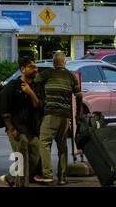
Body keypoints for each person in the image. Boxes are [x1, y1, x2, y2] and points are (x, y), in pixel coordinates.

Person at [34, 51, 82, 185]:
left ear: (54, 63)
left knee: (44, 143)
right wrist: (77, 113)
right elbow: (79, 96)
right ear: (65, 62)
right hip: (65, 116)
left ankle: (47, 174)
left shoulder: (49, 73)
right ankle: (62, 177)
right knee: (62, 146)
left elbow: (35, 80)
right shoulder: (71, 76)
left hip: (51, 113)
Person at [0, 57, 43, 187]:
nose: (35, 69)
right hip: (17, 128)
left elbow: (39, 106)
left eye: (35, 67)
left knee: (34, 158)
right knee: (22, 160)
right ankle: (21, 184)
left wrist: (30, 93)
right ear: (23, 69)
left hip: (32, 129)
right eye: (31, 67)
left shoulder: (35, 86)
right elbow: (4, 110)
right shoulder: (12, 86)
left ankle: (10, 179)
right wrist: (11, 129)